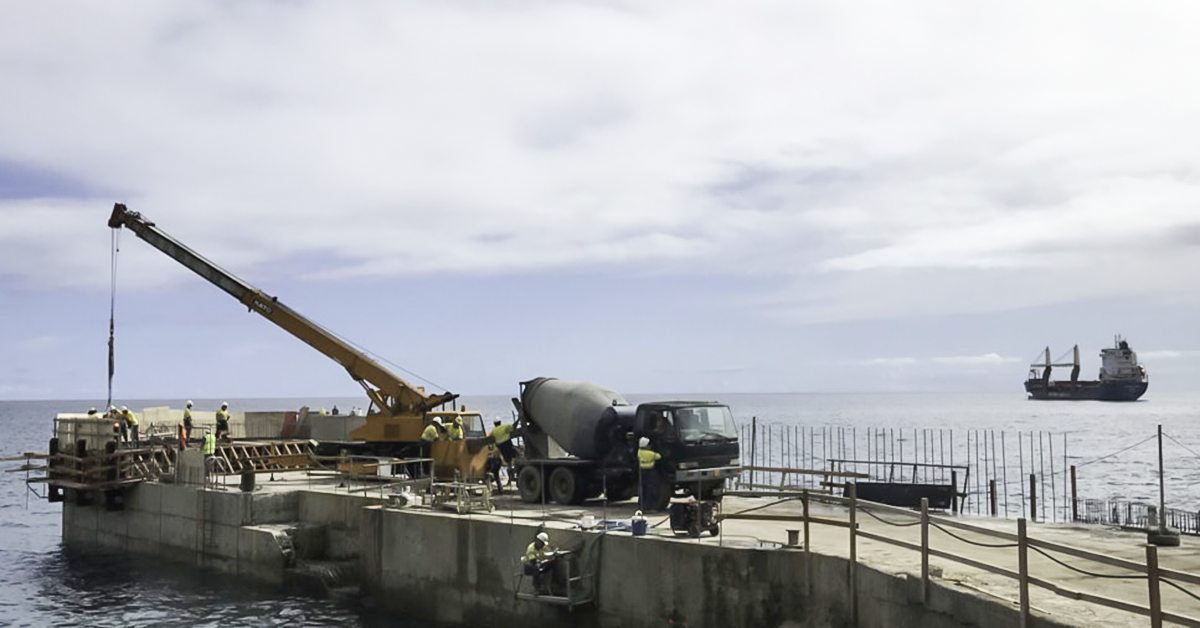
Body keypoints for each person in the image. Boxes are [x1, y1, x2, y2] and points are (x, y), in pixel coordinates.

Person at [638, 437, 663, 511]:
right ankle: (649, 507)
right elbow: (659, 456)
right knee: (650, 489)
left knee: (643, 489)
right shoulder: (650, 454)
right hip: (650, 471)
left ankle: (642, 506)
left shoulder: (639, 452)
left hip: (641, 471)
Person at [490, 420, 517, 484]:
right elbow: (513, 427)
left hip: (502, 448)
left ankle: (510, 476)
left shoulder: (494, 431)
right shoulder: (504, 427)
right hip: (508, 445)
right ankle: (512, 474)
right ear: (500, 422)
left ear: (494, 424)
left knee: (508, 462)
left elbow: (490, 439)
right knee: (514, 456)